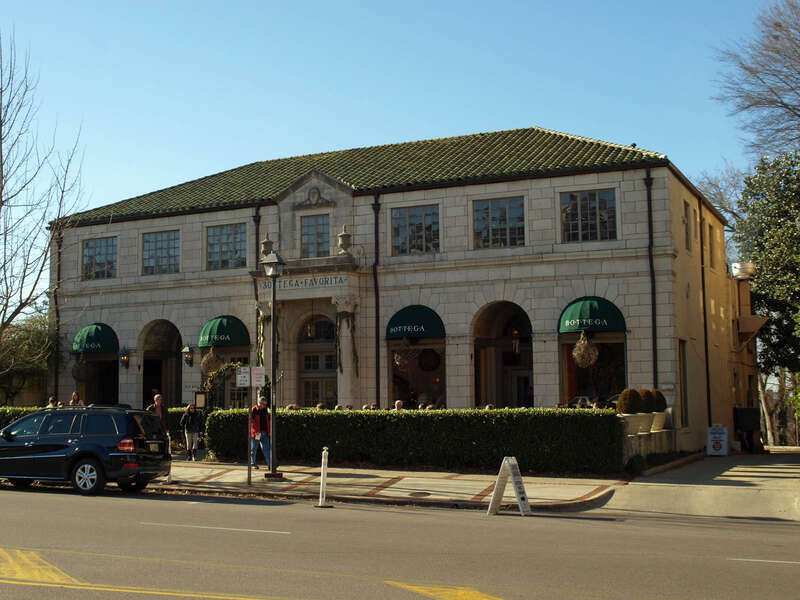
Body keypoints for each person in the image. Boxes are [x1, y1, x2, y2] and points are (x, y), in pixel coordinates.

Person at [249, 396, 270, 470]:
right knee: (253, 449)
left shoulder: (265, 410)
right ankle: (253, 463)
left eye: (265, 404)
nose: (264, 406)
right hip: (257, 433)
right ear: (259, 403)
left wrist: (268, 431)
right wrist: (256, 431)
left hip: (264, 432)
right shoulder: (254, 409)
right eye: (263, 404)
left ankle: (270, 464)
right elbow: (252, 422)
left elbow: (268, 421)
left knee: (266, 449)